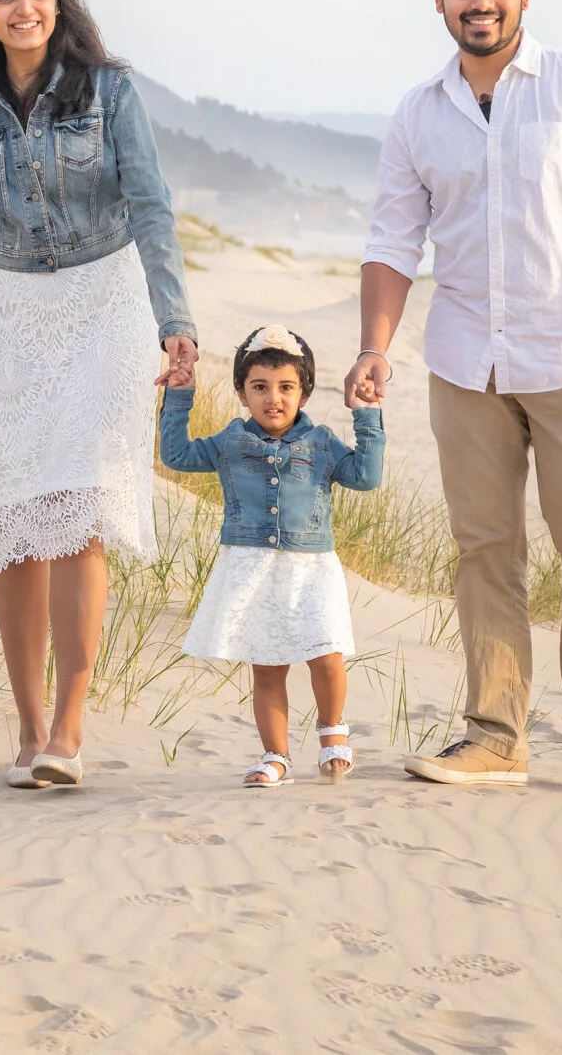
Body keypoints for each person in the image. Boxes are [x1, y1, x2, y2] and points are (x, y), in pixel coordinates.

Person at [346, 0, 562, 803]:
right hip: (464, 362)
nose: (480, 3)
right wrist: (374, 347)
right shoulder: (418, 112)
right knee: (484, 549)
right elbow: (392, 240)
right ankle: (496, 736)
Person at [0, 0, 199, 791]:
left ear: (57, 1)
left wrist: (174, 321)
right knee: (15, 524)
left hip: (106, 304)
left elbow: (150, 206)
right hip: (9, 318)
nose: (24, 7)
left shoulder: (110, 91)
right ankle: (27, 728)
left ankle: (69, 725)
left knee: (80, 508)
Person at [160, 326, 385, 786]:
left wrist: (367, 415)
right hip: (251, 567)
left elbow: (365, 476)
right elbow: (177, 455)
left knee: (326, 653)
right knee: (267, 666)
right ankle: (275, 755)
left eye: (286, 387)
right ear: (242, 393)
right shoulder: (227, 444)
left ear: (303, 392)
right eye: (259, 387)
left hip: (312, 569)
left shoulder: (322, 444)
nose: (273, 399)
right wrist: (180, 397)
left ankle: (333, 734)